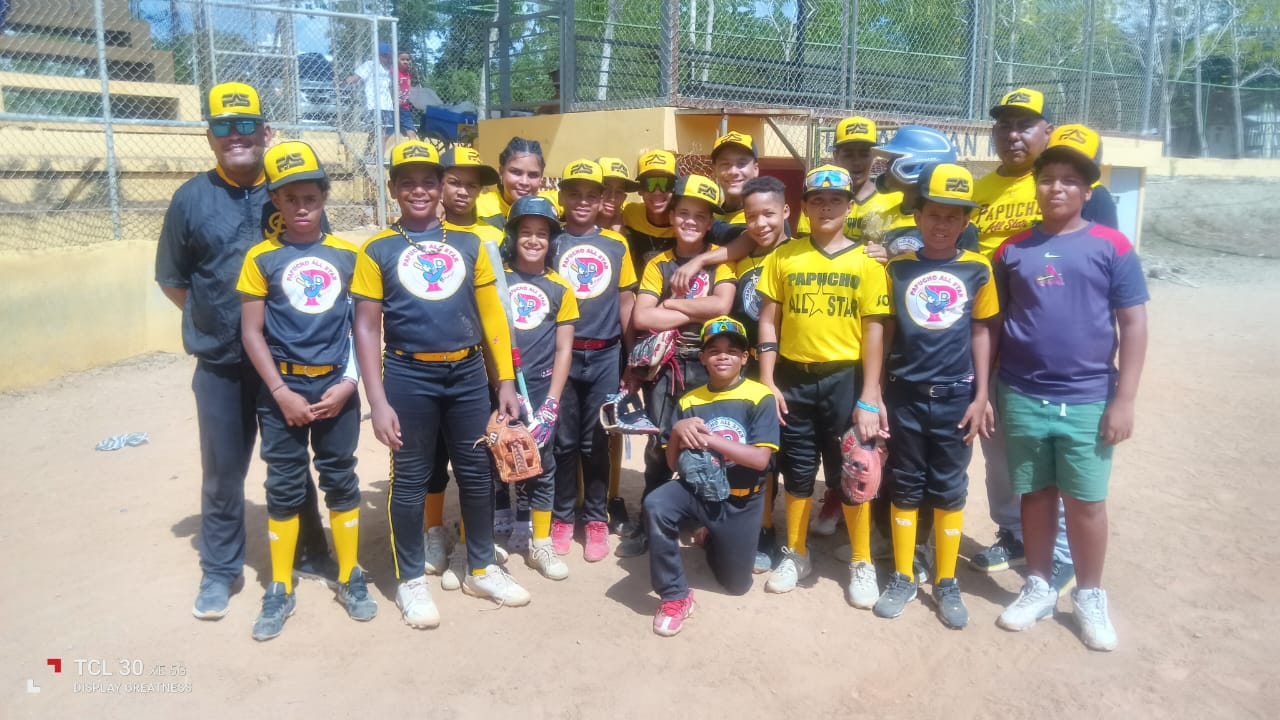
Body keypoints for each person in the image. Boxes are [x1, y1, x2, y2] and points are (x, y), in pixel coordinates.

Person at [155, 81, 333, 621]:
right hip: (221, 364)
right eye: (223, 127)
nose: (236, 136)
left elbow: (318, 265)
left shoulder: (290, 191)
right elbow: (173, 279)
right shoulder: (190, 199)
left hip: (289, 360)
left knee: (292, 462)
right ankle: (220, 569)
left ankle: (311, 550)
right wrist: (217, 319)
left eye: (246, 125)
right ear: (209, 136)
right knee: (223, 471)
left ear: (265, 131)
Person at [351, 140, 529, 629]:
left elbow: (492, 316)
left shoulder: (471, 244)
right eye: (407, 182)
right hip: (408, 374)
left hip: (467, 374)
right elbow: (365, 328)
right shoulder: (378, 249)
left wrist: (504, 380)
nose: (419, 191)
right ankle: (411, 579)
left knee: (476, 473)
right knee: (409, 478)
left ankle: (480, 568)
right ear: (392, 188)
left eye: (428, 181)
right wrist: (377, 400)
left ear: (441, 186)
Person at [994, 125, 1148, 652]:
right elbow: (995, 322)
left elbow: (1133, 323)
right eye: (1047, 179)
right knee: (1035, 494)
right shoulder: (1012, 250)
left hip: (1088, 396)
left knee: (1085, 501)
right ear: (1034, 187)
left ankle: (1089, 594)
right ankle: (1038, 584)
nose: (1056, 188)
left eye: (1069, 180)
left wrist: (1124, 400)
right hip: (1021, 392)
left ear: (1087, 190)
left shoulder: (1112, 245)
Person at [970, 88, 1118, 592]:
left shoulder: (1075, 190)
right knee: (1000, 448)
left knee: (1065, 458)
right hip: (993, 335)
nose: (1012, 134)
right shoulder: (980, 189)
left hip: (1054, 352)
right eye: (1004, 125)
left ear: (1047, 132)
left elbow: (1098, 277)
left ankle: (1061, 553)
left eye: (1025, 124)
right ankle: (1013, 533)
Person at [236, 141, 375, 640]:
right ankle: (279, 585)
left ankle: (349, 573)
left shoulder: (348, 256)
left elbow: (363, 329)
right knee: (284, 483)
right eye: (290, 198)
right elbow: (252, 332)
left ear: (324, 198)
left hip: (336, 386)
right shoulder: (261, 258)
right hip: (284, 390)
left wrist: (349, 384)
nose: (301, 207)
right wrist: (279, 391)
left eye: (310, 198)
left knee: (340, 476)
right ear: (275, 200)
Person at [869, 163, 998, 629]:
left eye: (953, 217)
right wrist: (876, 392)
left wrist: (981, 395)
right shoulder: (898, 269)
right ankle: (904, 575)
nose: (942, 224)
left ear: (965, 222)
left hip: (956, 398)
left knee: (948, 487)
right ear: (917, 216)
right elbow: (884, 331)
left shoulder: (978, 268)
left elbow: (981, 330)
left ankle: (946, 579)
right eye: (934, 214)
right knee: (905, 483)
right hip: (905, 395)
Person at [755, 164, 889, 607]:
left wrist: (870, 393)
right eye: (818, 201)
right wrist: (767, 379)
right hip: (792, 376)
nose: (826, 208)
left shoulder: (867, 261)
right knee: (796, 469)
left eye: (836, 200)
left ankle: (862, 560)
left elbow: (874, 331)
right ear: (804, 207)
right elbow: (769, 319)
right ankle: (796, 553)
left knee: (854, 469)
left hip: (844, 378)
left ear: (849, 206)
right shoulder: (784, 257)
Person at [619, 174, 737, 557]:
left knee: (709, 440)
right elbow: (642, 316)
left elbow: (721, 305)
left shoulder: (721, 261)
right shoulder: (659, 264)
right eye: (683, 213)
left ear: (710, 222)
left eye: (700, 216)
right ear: (671, 217)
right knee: (659, 443)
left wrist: (670, 304)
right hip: (667, 367)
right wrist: (693, 311)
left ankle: (705, 520)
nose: (690, 221)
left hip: (710, 365)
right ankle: (650, 520)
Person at [646, 316, 780, 636]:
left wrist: (710, 440)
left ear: (745, 357)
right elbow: (673, 464)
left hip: (742, 502)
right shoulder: (689, 400)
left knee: (736, 585)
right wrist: (677, 432)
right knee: (656, 504)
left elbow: (760, 459)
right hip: (697, 493)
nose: (723, 356)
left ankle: (711, 538)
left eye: (732, 351)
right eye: (714, 350)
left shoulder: (760, 396)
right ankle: (675, 596)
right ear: (702, 357)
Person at [423, 145, 508, 586]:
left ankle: (469, 538)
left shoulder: (491, 236)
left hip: (479, 362)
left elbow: (501, 305)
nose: (462, 191)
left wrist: (503, 372)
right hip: (430, 363)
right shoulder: (421, 233)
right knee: (432, 456)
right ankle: (432, 532)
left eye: (471, 185)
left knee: (476, 455)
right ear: (439, 184)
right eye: (454, 182)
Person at [549, 159, 638, 562]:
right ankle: (563, 515)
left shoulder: (616, 244)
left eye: (591, 195)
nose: (582, 201)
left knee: (597, 441)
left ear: (603, 200)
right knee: (564, 441)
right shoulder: (552, 241)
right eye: (575, 194)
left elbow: (625, 301)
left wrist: (630, 358)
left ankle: (597, 518)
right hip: (562, 356)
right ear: (562, 197)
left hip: (604, 354)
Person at [502, 195, 579, 580]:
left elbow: (564, 349)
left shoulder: (560, 287)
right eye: (526, 233)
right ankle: (496, 531)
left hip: (540, 390)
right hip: (501, 389)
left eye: (542, 234)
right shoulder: (497, 280)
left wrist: (551, 403)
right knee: (498, 461)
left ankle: (541, 541)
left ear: (551, 241)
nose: (534, 240)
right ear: (513, 236)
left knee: (542, 466)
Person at [726, 176, 790, 573]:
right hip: (744, 365)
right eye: (752, 216)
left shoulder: (798, 252)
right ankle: (746, 523)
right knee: (741, 445)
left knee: (773, 452)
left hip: (785, 368)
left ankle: (769, 528)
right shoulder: (740, 255)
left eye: (769, 214)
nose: (760, 223)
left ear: (786, 211)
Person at [476, 137, 560, 231]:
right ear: (501, 172)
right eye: (516, 172)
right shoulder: (478, 206)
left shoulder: (550, 204)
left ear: (541, 178)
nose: (524, 182)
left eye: (533, 175)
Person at [344, 42, 396, 156]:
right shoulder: (370, 65)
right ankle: (378, 156)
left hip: (388, 106)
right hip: (375, 104)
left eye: (389, 56)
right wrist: (344, 81)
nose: (387, 58)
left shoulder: (390, 69)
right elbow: (356, 77)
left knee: (383, 130)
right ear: (378, 55)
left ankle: (369, 153)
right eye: (384, 55)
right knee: (380, 131)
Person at [596, 156, 639, 234]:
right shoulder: (573, 225)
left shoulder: (632, 229)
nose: (612, 197)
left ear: (624, 198)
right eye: (605, 188)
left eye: (619, 191)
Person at [396, 51, 420, 141]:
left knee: (409, 128)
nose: (405, 62)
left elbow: (409, 87)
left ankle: (413, 145)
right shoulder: (393, 71)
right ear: (396, 60)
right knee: (389, 130)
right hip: (394, 106)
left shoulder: (407, 73)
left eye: (407, 59)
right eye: (402, 59)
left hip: (405, 106)